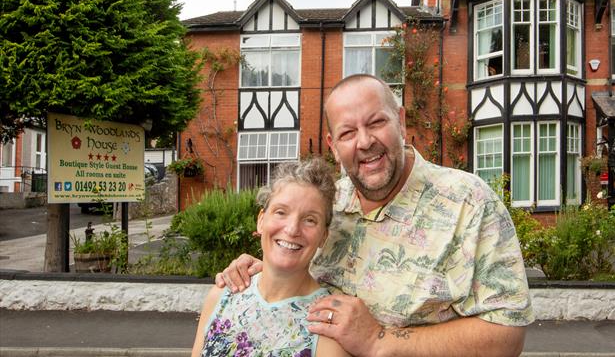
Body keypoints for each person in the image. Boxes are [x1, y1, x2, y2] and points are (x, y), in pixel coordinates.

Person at [216, 74, 534, 356]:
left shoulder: (469, 203)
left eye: (376, 123)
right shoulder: (328, 204)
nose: (365, 142)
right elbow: (304, 278)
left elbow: (506, 336)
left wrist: (380, 340)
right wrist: (270, 270)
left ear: (401, 122)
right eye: (347, 133)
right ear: (333, 145)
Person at [192, 158, 349, 357]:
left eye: (310, 220)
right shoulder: (222, 296)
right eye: (281, 212)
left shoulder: (326, 326)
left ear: (323, 237)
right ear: (261, 220)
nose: (292, 229)